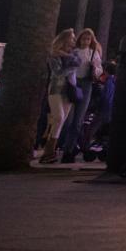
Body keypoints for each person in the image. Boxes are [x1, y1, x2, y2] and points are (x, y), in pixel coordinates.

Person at [58, 27, 102, 163]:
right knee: (68, 119)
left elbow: (99, 70)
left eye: (88, 39)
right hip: (72, 84)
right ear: (80, 39)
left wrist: (95, 69)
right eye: (84, 38)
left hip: (86, 85)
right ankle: (65, 147)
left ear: (91, 41)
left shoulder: (93, 53)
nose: (86, 41)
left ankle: (69, 151)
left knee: (78, 120)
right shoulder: (74, 52)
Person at [39, 28, 78, 164]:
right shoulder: (54, 55)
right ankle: (49, 150)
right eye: (72, 38)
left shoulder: (74, 54)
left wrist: (70, 61)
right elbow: (58, 73)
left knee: (60, 121)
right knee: (59, 117)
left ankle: (49, 152)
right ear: (65, 39)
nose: (74, 40)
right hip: (56, 89)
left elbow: (76, 65)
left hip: (69, 90)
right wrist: (71, 65)